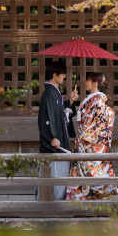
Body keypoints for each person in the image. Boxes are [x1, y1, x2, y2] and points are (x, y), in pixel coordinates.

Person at [66, 71, 118, 200]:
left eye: (88, 80)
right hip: (83, 141)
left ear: (95, 83)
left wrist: (84, 137)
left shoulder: (99, 100)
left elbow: (100, 123)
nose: (85, 83)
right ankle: (81, 198)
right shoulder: (91, 99)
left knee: (93, 170)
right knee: (84, 171)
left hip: (89, 142)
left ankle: (89, 198)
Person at [37, 60, 79, 200]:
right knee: (55, 175)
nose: (64, 76)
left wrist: (70, 102)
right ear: (54, 75)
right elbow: (46, 117)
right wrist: (52, 137)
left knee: (61, 175)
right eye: (62, 74)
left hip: (60, 140)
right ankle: (51, 202)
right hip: (55, 144)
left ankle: (57, 202)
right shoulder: (49, 94)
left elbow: (61, 113)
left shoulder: (55, 93)